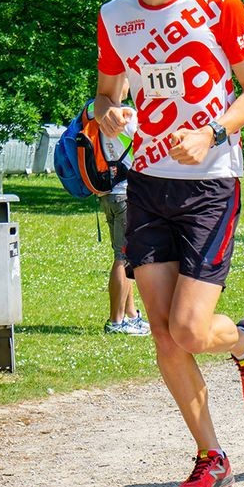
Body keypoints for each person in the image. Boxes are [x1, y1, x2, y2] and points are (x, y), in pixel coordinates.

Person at [94, 0, 244, 487]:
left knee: (192, 329)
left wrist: (214, 130)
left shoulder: (218, 3)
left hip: (209, 184)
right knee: (165, 336)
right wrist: (111, 114)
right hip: (145, 183)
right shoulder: (115, 14)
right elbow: (106, 94)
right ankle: (211, 454)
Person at [97, 94, 150, 336]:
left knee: (124, 255)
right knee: (123, 258)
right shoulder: (126, 115)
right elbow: (148, 139)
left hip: (108, 190)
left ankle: (131, 315)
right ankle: (116, 321)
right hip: (126, 191)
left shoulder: (98, 115)